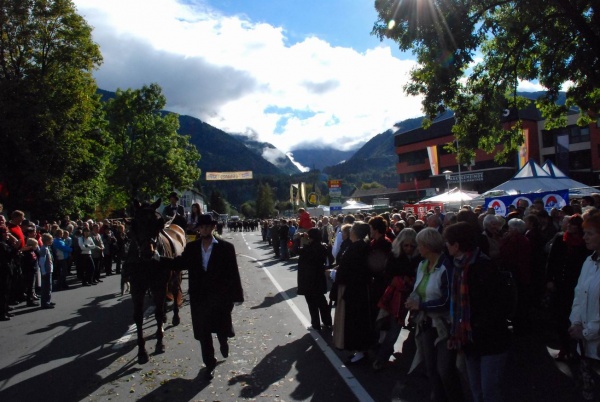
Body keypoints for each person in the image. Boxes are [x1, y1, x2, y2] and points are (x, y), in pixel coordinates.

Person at [161, 214, 244, 380]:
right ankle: (209, 363)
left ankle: (223, 341)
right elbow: (179, 263)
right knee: (203, 331)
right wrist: (160, 260)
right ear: (199, 228)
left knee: (222, 327)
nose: (205, 229)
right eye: (202, 226)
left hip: (220, 296)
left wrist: (237, 295)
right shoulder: (192, 248)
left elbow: (233, 273)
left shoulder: (226, 247)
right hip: (200, 298)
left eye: (208, 226)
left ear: (213, 227)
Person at [445, 222, 510, 402]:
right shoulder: (459, 267)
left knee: (489, 390)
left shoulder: (483, 267)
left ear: (457, 245)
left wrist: (474, 325)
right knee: (476, 390)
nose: (446, 246)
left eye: (448, 242)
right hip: (469, 339)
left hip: (490, 339)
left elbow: (497, 305)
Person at [405, 227, 463, 402]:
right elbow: (418, 289)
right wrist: (412, 300)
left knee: (444, 370)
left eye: (419, 245)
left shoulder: (446, 266)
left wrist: (420, 305)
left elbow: (448, 300)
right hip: (425, 324)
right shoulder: (422, 265)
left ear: (427, 246)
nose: (417, 248)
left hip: (444, 325)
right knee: (431, 369)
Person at [373, 228, 421, 371]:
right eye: (406, 245)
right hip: (397, 296)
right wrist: (402, 280)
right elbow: (387, 276)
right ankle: (382, 357)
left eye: (412, 245)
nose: (409, 248)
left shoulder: (420, 257)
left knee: (417, 329)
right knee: (393, 328)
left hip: (416, 296)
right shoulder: (394, 256)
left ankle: (412, 360)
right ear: (400, 244)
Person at [546, 214, 591, 360]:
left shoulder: (584, 244)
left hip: (576, 284)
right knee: (559, 317)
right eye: (569, 224)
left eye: (573, 225)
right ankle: (564, 346)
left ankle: (574, 348)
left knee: (574, 316)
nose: (569, 227)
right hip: (560, 283)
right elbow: (551, 260)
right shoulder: (560, 239)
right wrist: (549, 279)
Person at [331, 221, 374, 365]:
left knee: (355, 320)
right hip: (359, 287)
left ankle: (360, 351)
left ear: (354, 232)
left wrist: (333, 274)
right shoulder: (363, 246)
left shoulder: (356, 248)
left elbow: (349, 270)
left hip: (354, 289)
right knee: (357, 320)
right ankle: (359, 350)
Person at [569, 213, 600, 399]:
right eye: (584, 233)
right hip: (586, 346)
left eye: (590, 233)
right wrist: (575, 322)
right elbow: (579, 294)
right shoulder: (589, 262)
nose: (584, 237)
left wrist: (587, 331)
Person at [297, 228, 332, 331]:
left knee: (312, 303)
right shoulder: (323, 247)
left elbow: (294, 250)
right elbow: (331, 259)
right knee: (322, 301)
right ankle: (327, 321)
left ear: (310, 237)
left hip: (308, 278)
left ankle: (315, 324)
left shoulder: (307, 249)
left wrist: (298, 238)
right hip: (319, 277)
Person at [38, 233, 56, 309]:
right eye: (50, 240)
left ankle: (48, 300)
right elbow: (42, 261)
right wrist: (44, 271)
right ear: (47, 241)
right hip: (46, 271)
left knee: (49, 286)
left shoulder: (47, 248)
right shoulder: (44, 249)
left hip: (49, 270)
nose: (52, 241)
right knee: (46, 287)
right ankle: (45, 302)